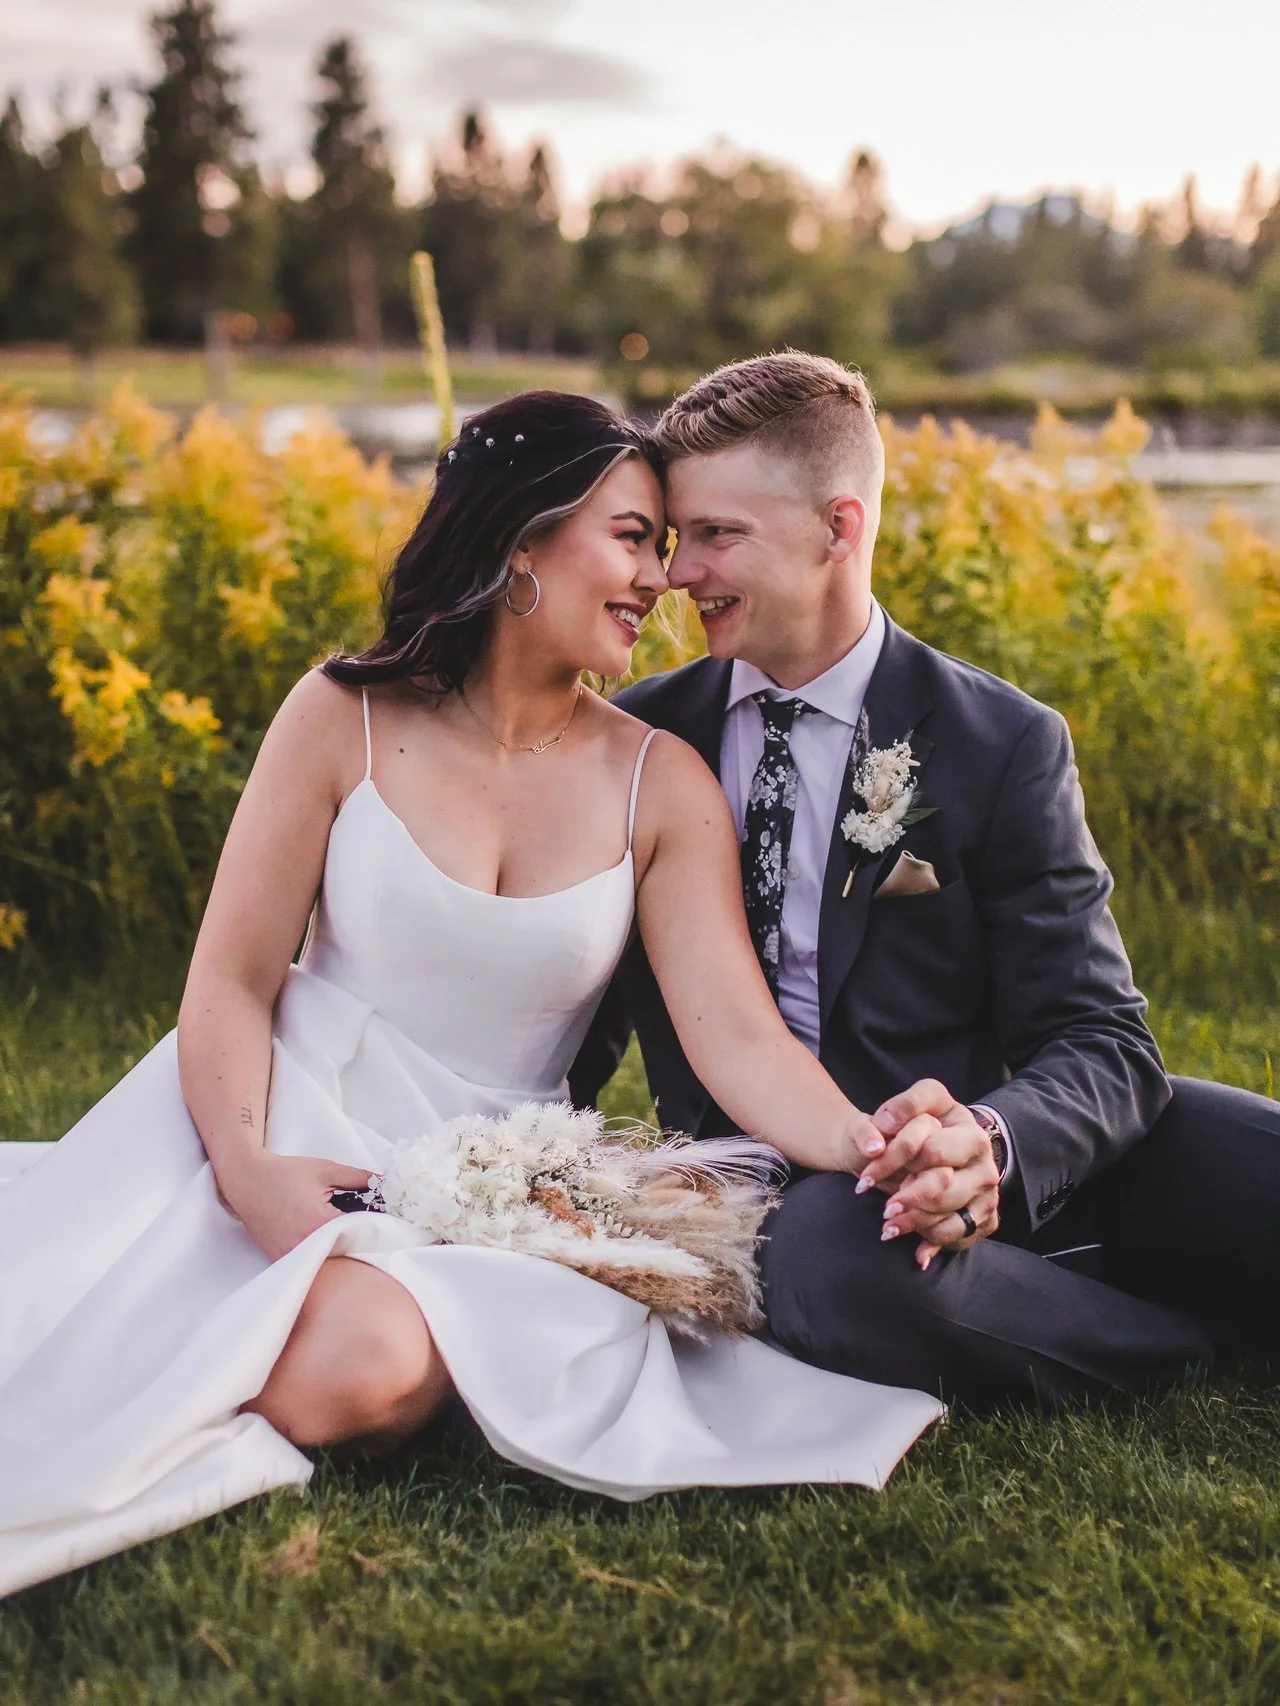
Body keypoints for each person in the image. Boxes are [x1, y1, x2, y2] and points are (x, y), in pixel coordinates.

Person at [0, 391, 945, 1600]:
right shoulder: (339, 712)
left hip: (501, 1183)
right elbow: (232, 980)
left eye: (665, 544)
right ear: (519, 543)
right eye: (629, 536)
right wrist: (248, 1172)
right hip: (272, 1119)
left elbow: (740, 1042)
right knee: (90, 1319)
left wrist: (880, 1145)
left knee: (357, 1375)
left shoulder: (661, 783)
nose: (660, 576)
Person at [575, 351, 1280, 1409]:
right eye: (677, 539)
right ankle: (1175, 1349)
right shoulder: (635, 741)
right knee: (826, 1252)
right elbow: (569, 1003)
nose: (677, 575)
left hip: (975, 1153)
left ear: (838, 528)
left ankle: (1036, 1266)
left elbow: (1103, 1043)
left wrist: (985, 1142)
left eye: (717, 535)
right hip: (801, 1204)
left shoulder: (998, 740)